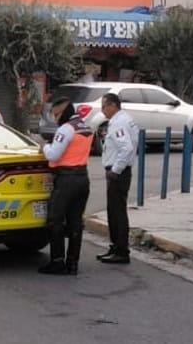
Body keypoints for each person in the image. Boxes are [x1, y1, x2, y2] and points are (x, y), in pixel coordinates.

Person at [38, 96, 93, 275]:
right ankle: (73, 263)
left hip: (66, 179)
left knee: (55, 220)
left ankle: (57, 261)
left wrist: (44, 147)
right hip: (82, 178)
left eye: (56, 114)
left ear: (63, 112)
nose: (55, 118)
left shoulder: (66, 129)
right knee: (76, 222)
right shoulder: (85, 126)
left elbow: (53, 155)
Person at [98, 93, 138, 265]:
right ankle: (115, 247)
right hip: (120, 170)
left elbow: (127, 148)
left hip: (118, 173)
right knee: (113, 211)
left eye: (104, 106)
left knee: (117, 213)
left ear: (113, 105)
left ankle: (121, 251)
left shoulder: (119, 122)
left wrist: (115, 170)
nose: (102, 110)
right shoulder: (122, 119)